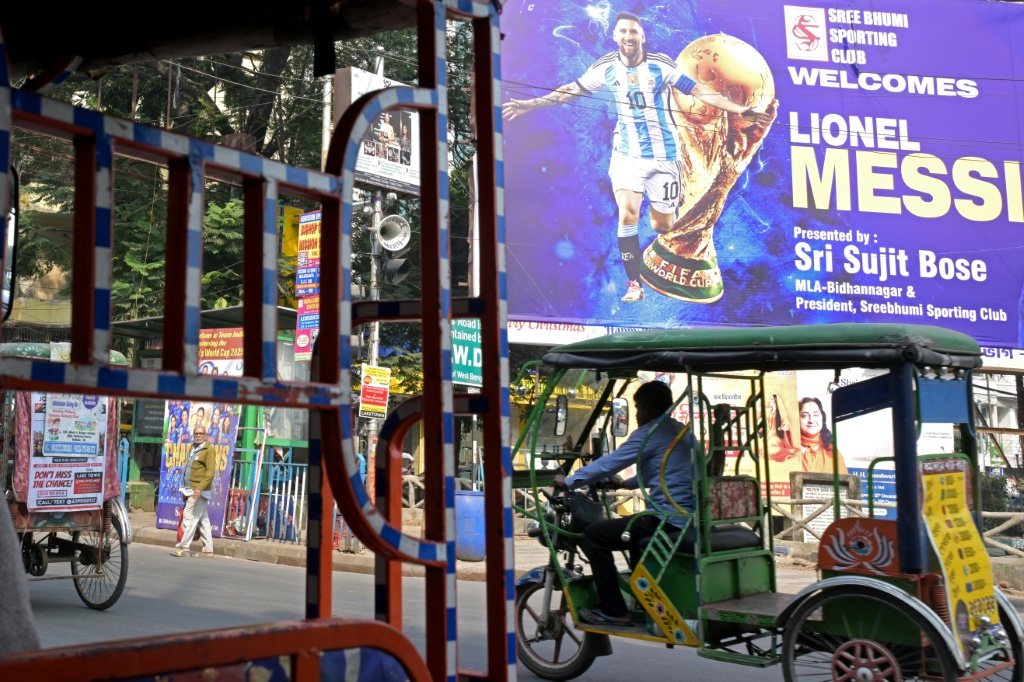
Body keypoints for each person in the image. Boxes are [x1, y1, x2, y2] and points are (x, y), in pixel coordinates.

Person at [502, 11, 770, 303]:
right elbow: (570, 91)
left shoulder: (661, 67)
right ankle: (634, 283)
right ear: (615, 37)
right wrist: (531, 104)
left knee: (662, 225)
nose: (628, 37)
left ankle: (660, 226)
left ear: (642, 36)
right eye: (623, 32)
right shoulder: (607, 68)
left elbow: (701, 92)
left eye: (633, 32)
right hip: (627, 156)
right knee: (627, 215)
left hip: (663, 156)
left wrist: (742, 111)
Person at [553, 381, 692, 626]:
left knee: (594, 536)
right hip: (687, 517)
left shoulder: (651, 432)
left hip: (668, 519)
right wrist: (624, 485)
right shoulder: (680, 431)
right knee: (628, 531)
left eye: (637, 408)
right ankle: (641, 598)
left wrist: (570, 481)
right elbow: (664, 472)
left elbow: (610, 463)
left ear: (648, 408)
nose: (636, 414)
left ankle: (614, 610)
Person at [769, 395, 848, 475]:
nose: (811, 420)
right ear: (797, 419)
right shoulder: (787, 449)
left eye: (816, 415)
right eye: (804, 416)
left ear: (822, 418)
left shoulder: (833, 453)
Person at [170, 425, 215, 558]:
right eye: (196, 433)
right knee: (203, 520)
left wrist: (199, 488)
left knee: (189, 516)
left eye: (201, 433)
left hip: (199, 490)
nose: (198, 435)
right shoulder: (193, 447)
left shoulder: (209, 449)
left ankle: (184, 547)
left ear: (205, 435)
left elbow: (210, 472)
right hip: (190, 489)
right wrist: (186, 490)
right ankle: (208, 550)